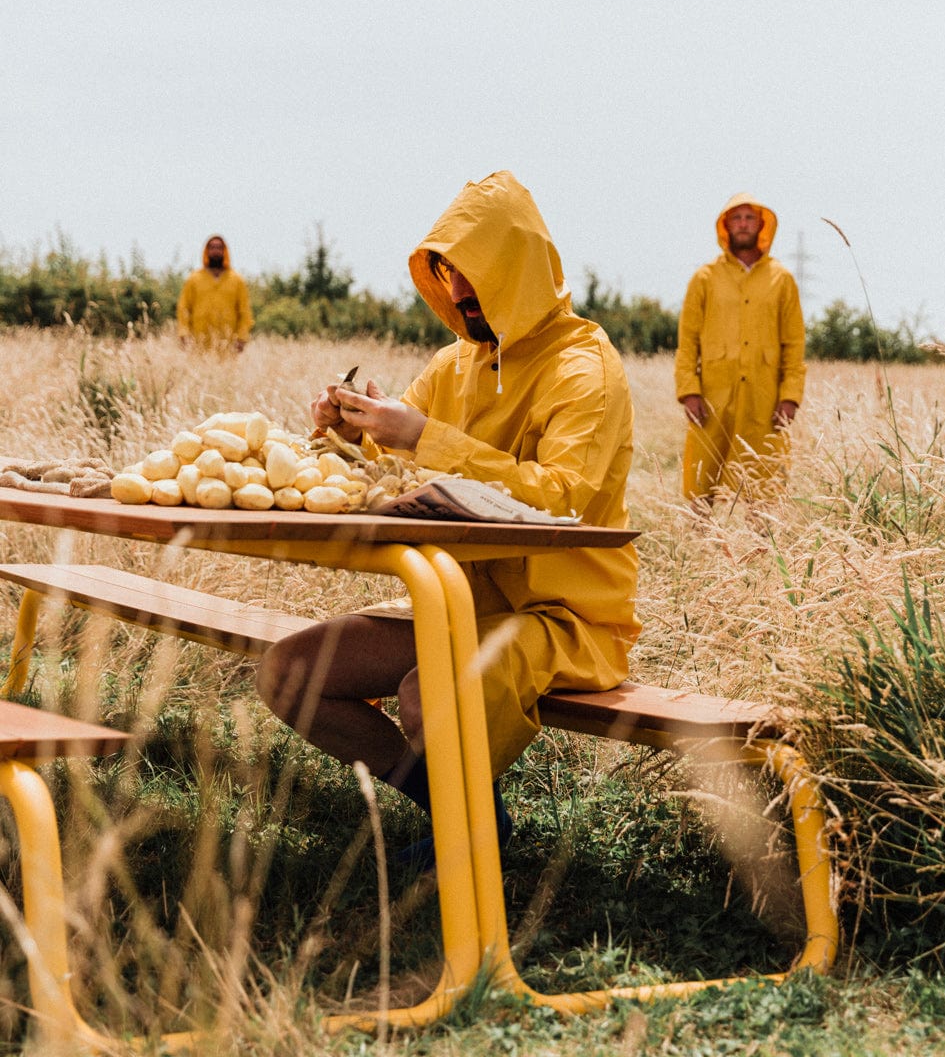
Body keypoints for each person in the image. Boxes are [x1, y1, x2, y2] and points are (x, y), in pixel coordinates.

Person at [256, 170, 641, 863]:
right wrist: (348, 432)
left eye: (475, 276)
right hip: (456, 600)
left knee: (426, 692)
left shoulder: (587, 369)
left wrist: (417, 434)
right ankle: (462, 812)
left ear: (518, 273)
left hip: (566, 618)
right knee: (290, 671)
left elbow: (561, 499)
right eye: (447, 273)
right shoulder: (453, 363)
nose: (460, 294)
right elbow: (392, 457)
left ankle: (471, 859)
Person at [675, 194, 806, 505]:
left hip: (765, 400)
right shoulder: (704, 278)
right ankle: (698, 543)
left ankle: (761, 545)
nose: (743, 224)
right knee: (701, 478)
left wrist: (790, 397)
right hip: (712, 398)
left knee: (765, 480)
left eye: (750, 218)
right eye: (737, 218)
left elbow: (794, 343)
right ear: (725, 226)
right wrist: (689, 390)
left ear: (761, 225)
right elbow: (687, 340)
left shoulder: (782, 279)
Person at [176, 235, 253, 352]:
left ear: (224, 251)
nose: (215, 251)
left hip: (228, 345)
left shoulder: (237, 280)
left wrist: (242, 337)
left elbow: (244, 311)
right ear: (206, 251)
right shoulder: (194, 279)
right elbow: (183, 308)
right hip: (198, 344)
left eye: (219, 248)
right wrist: (184, 334)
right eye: (212, 247)